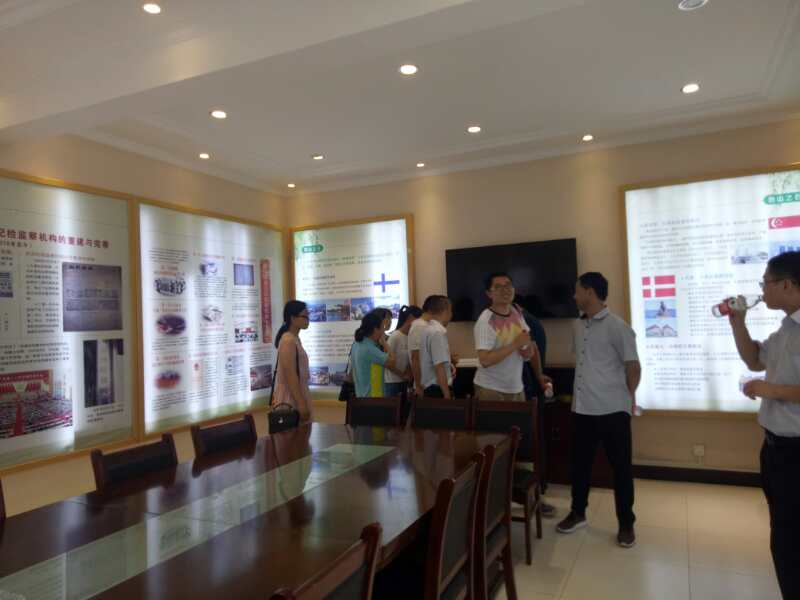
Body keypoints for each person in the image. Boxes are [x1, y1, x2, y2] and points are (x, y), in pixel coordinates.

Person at [728, 251, 800, 599]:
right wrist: (738, 324)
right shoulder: (786, 329)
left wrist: (770, 390)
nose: (762, 289)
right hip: (774, 448)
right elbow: (755, 360)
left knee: (791, 543)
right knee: (783, 537)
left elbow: (768, 382)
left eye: (766, 282)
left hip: (797, 452)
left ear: (787, 285)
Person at [556, 272, 641, 549]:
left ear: (590, 292)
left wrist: (627, 397)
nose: (574, 296)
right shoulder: (577, 325)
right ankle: (578, 512)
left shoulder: (618, 327)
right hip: (582, 409)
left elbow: (633, 367)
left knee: (621, 469)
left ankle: (626, 523)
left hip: (613, 410)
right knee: (579, 465)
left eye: (577, 291)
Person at [473, 273, 551, 402]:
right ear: (489, 294)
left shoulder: (516, 312)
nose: (505, 290)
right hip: (491, 389)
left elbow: (530, 345)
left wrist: (538, 373)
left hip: (516, 388)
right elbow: (485, 360)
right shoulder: (485, 321)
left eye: (508, 285)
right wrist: (515, 345)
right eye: (498, 287)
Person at [272, 300, 313, 422]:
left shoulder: (294, 339)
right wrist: (301, 404)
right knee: (293, 433)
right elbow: (291, 376)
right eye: (304, 316)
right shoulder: (288, 341)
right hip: (290, 398)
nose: (307, 319)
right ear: (293, 318)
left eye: (308, 316)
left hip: (298, 394)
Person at [351, 310, 396, 398]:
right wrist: (384, 342)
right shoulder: (370, 349)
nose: (383, 331)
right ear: (375, 329)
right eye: (382, 327)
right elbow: (392, 361)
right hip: (373, 398)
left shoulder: (357, 343)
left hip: (361, 395)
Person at [418, 296, 454, 398]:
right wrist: (447, 395)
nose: (451, 315)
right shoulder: (438, 332)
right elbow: (439, 366)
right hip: (437, 389)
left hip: (429, 388)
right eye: (450, 311)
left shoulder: (427, 329)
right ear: (445, 311)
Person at [409, 296, 444, 395]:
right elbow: (415, 358)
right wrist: (418, 386)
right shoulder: (420, 326)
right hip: (426, 385)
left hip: (432, 383)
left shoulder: (428, 325)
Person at [384, 305, 423, 397]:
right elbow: (387, 362)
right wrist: (402, 375)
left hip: (404, 382)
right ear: (410, 318)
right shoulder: (395, 336)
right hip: (392, 383)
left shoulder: (411, 336)